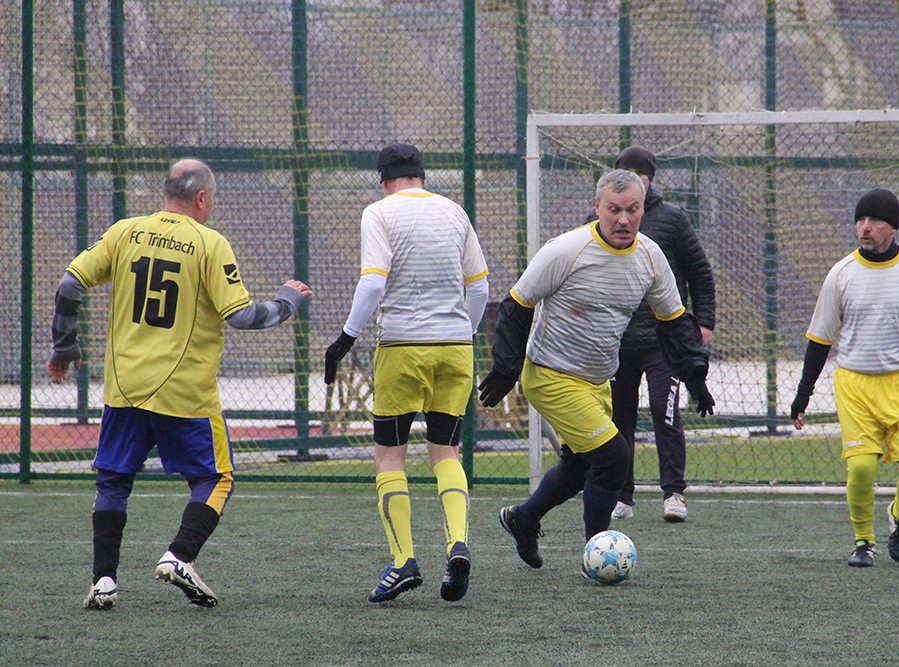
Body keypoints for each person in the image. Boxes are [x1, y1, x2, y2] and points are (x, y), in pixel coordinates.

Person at [47, 158, 312, 609]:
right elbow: (242, 315)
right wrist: (287, 301)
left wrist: (64, 346)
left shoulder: (125, 232)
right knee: (216, 479)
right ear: (202, 197)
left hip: (124, 386)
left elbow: (70, 284)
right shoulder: (209, 243)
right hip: (183, 391)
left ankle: (103, 582)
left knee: (113, 483)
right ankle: (179, 556)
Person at [479, 168, 714, 572]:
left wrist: (695, 375)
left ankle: (523, 518)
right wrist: (506, 367)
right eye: (614, 210)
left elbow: (674, 321)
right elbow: (517, 304)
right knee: (613, 456)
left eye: (632, 210)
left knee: (580, 466)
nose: (623, 219)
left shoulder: (651, 257)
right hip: (550, 375)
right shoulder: (566, 250)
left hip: (598, 380)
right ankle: (598, 552)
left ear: (643, 209)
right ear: (597, 208)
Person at [323, 143, 489, 603]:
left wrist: (345, 339)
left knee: (389, 458)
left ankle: (403, 561)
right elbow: (480, 289)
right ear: (422, 175)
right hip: (456, 349)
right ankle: (458, 544)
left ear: (383, 180)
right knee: (445, 452)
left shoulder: (379, 212)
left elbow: (373, 281)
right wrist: (463, 333)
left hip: (402, 348)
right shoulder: (455, 212)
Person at [790, 188, 899, 567]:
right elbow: (819, 340)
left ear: (893, 227)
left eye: (875, 221)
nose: (865, 228)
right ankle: (864, 541)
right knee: (861, 468)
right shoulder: (841, 274)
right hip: (855, 386)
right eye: (861, 220)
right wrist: (803, 395)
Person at [601, 146, 716, 523]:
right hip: (616, 342)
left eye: (641, 177)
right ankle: (622, 495)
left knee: (664, 412)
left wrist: (704, 323)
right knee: (618, 420)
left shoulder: (672, 219)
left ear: (649, 181)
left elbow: (700, 273)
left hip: (662, 341)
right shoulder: (597, 223)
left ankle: (673, 493)